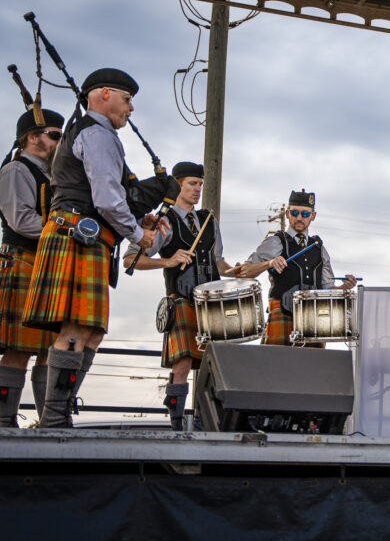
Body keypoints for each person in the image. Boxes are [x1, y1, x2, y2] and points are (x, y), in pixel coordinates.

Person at [22, 69, 164, 428]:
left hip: (85, 235)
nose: (130, 108)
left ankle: (59, 412)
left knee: (92, 332)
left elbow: (104, 196)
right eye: (127, 99)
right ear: (104, 94)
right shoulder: (97, 134)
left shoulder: (90, 132)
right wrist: (138, 235)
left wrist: (137, 223)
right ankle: (54, 419)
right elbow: (107, 199)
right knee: (77, 328)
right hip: (77, 233)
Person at [122, 161, 236, 430]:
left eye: (200, 184)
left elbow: (219, 262)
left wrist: (240, 271)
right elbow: (130, 260)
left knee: (213, 364)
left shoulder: (209, 220)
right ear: (177, 186)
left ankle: (204, 421)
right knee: (183, 363)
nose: (197, 190)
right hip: (182, 298)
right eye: (191, 184)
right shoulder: (164, 221)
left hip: (211, 302)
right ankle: (175, 423)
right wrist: (169, 261)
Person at [0, 109, 63, 427]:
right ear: (31, 137)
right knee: (19, 349)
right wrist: (65, 230)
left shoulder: (54, 176)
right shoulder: (15, 169)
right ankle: (3, 420)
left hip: (45, 265)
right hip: (22, 261)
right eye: (54, 135)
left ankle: (49, 422)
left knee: (52, 349)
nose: (58, 142)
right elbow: (21, 220)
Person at [238, 190, 356, 346]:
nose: (299, 218)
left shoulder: (319, 248)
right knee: (274, 367)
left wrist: (343, 288)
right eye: (295, 213)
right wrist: (269, 263)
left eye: (305, 214)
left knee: (313, 370)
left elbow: (327, 287)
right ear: (287, 214)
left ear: (313, 216)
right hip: (282, 314)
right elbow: (244, 271)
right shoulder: (275, 242)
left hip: (314, 321)